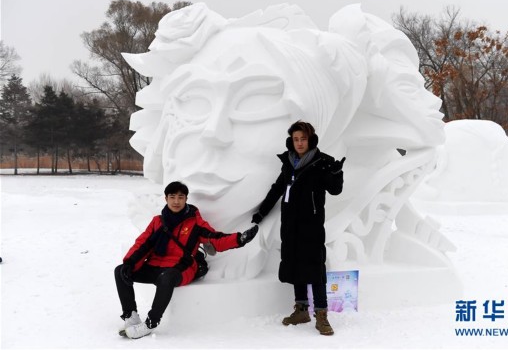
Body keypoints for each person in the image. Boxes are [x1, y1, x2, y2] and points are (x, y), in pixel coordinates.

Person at [114, 181, 258, 339]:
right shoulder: (158, 222)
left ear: (186, 199)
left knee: (166, 277)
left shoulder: (195, 222)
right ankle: (131, 315)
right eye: (172, 197)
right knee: (121, 270)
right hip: (156, 265)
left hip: (181, 268)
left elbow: (215, 238)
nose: (176, 201)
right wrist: (130, 263)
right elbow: (143, 244)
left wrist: (239, 239)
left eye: (180, 197)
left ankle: (150, 323)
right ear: (166, 199)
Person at [251, 121, 345, 336]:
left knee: (315, 269)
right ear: (291, 141)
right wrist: (262, 212)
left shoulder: (322, 162)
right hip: (291, 224)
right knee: (295, 265)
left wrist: (337, 173)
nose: (300, 143)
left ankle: (321, 315)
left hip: (311, 225)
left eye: (303, 138)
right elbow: (277, 189)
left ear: (310, 139)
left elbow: (335, 190)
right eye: (296, 139)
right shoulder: (289, 163)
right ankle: (301, 309)